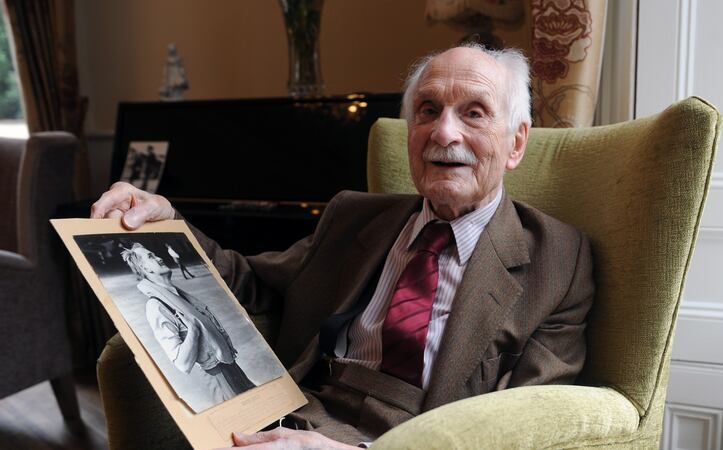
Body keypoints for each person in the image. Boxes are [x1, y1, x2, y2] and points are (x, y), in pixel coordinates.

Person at [92, 44, 594, 449]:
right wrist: (167, 224)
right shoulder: (355, 216)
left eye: (475, 113)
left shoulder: (559, 259)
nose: (444, 132)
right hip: (290, 416)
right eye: (427, 110)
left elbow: (529, 423)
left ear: (517, 143)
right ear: (410, 133)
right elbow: (250, 284)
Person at [121, 242, 256, 404]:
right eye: (151, 256)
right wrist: (193, 331)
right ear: (146, 269)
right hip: (219, 378)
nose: (159, 257)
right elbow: (182, 362)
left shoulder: (178, 295)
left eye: (154, 254)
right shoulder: (156, 306)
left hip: (231, 367)